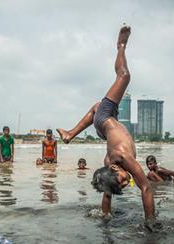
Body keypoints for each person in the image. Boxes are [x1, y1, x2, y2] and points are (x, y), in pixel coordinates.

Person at [56, 25, 158, 229]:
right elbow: (108, 193)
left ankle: (120, 45)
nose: (125, 182)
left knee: (124, 76)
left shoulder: (122, 158)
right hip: (105, 125)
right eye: (122, 184)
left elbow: (146, 188)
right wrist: (106, 216)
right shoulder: (110, 165)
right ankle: (70, 134)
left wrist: (151, 224)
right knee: (96, 108)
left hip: (104, 119)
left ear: (113, 168)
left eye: (120, 181)